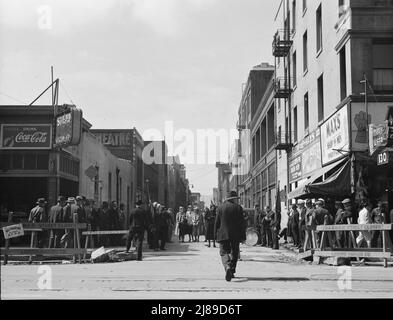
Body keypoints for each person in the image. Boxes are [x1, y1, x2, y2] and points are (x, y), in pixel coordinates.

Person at [215, 191, 246, 282]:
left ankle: (227, 266)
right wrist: (243, 236)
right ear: (233, 199)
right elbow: (242, 224)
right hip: (235, 235)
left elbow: (217, 223)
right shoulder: (238, 208)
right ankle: (232, 269)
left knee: (223, 252)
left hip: (223, 234)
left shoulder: (220, 208)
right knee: (235, 252)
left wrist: (215, 235)